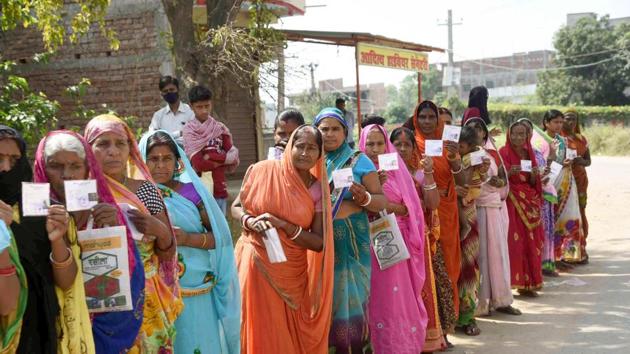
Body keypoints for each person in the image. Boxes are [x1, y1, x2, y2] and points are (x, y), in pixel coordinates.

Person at [33, 130, 146, 354]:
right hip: (56, 333)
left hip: (106, 333)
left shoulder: (106, 211)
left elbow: (131, 276)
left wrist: (112, 230)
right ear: (42, 168)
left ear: (88, 169)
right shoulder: (32, 216)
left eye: (76, 166)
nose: (67, 175)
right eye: (56, 166)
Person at [85, 114, 183, 352]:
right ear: (88, 149)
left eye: (120, 143)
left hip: (146, 296)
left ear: (130, 148)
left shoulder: (146, 191)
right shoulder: (81, 191)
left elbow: (167, 252)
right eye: (103, 144)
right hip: (99, 295)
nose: (113, 151)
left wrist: (160, 230)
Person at [231, 125, 334, 353]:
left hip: (291, 270)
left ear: (320, 154)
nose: (305, 153)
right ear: (289, 147)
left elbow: (319, 242)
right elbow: (237, 207)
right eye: (300, 146)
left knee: (285, 328)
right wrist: (249, 221)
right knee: (257, 324)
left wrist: (285, 226)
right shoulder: (262, 171)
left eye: (312, 148)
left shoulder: (317, 189)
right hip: (255, 261)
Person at [139, 130, 240, 353]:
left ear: (178, 162)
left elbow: (220, 239)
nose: (160, 165)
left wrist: (187, 239)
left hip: (197, 288)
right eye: (153, 159)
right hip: (157, 291)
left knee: (200, 343)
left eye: (167, 159)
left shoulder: (191, 193)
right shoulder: (135, 195)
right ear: (142, 160)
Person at [314, 108, 387, 353]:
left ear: (345, 132)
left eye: (335, 129)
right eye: (324, 129)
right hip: (319, 242)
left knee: (353, 300)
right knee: (325, 300)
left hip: (354, 243)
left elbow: (381, 201)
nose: (330, 134)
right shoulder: (311, 158)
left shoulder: (359, 160)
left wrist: (364, 198)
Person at [0, 126, 74, 354]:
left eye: (14, 159)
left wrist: (57, 239)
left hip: (36, 326)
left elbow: (66, 281)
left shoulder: (37, 206)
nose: (6, 168)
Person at [359, 124, 428, 353]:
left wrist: (381, 203)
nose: (375, 149)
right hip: (364, 242)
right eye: (370, 144)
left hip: (394, 242)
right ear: (362, 145)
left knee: (395, 299)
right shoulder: (356, 170)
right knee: (373, 297)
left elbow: (411, 208)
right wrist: (371, 193)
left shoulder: (397, 170)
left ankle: (399, 345)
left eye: (380, 144)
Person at [391, 126, 455, 351]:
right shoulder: (381, 174)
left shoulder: (417, 172)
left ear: (412, 148)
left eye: (406, 144)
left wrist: (428, 174)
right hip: (391, 240)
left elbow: (433, 203)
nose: (401, 148)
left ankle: (429, 338)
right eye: (396, 144)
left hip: (420, 240)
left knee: (429, 287)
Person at [403, 100, 466, 322]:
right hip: (418, 213)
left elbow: (463, 180)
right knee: (422, 270)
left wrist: (454, 159)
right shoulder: (410, 144)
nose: (427, 122)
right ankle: (426, 325)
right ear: (415, 119)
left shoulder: (447, 144)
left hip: (446, 213)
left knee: (448, 266)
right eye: (423, 117)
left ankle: (447, 323)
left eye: (432, 117)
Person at [464, 118, 521, 316]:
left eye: (479, 128)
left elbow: (502, 178)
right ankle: (480, 304)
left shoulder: (491, 154)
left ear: (485, 133)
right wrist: (488, 182)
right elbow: (470, 183)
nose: (475, 132)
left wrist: (498, 182)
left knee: (497, 253)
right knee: (480, 256)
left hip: (495, 208)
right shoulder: (463, 157)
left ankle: (502, 299)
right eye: (470, 128)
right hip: (475, 209)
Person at [452, 126, 490, 336]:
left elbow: (467, 185)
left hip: (467, 214)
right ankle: (451, 315)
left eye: (462, 146)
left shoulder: (474, 161)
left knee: (468, 266)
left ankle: (467, 316)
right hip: (449, 215)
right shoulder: (450, 158)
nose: (458, 149)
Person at [500, 121, 545, 297]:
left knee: (531, 242)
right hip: (512, 202)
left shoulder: (529, 153)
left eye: (522, 134)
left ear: (527, 136)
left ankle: (530, 283)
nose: (518, 138)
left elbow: (534, 183)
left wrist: (534, 175)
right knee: (515, 243)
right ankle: (517, 282)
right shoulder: (503, 152)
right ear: (508, 135)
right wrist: (509, 173)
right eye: (514, 134)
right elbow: (499, 177)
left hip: (529, 202)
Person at [183, 85, 239, 215]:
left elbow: (234, 156)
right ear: (191, 106)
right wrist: (223, 158)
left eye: (207, 106)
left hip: (219, 187)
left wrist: (210, 156)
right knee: (206, 230)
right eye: (199, 107)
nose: (204, 111)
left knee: (222, 230)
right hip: (200, 191)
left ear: (211, 104)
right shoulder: (189, 131)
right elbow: (199, 164)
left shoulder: (219, 128)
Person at [541, 110, 585, 266]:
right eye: (556, 122)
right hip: (550, 183)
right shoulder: (540, 140)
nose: (560, 125)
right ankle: (551, 257)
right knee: (551, 219)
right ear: (546, 123)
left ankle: (565, 255)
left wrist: (566, 163)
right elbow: (541, 163)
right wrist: (559, 164)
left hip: (567, 181)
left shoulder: (562, 140)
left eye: (561, 122)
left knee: (569, 216)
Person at [519, 118, 559, 276]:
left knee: (546, 231)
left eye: (528, 131)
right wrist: (537, 179)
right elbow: (522, 177)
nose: (525, 135)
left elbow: (545, 168)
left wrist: (552, 156)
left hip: (544, 195)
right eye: (521, 132)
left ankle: (546, 264)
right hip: (529, 198)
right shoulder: (518, 153)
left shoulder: (535, 150)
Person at [562, 109, 590, 263]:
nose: (570, 122)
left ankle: (582, 249)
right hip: (565, 181)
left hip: (580, 182)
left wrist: (581, 161)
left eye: (573, 119)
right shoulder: (560, 139)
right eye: (567, 119)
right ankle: (568, 252)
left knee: (580, 212)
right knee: (567, 214)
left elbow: (588, 161)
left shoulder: (581, 139)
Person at [148, 75, 194, 145]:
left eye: (172, 89)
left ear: (178, 89)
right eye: (165, 91)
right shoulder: (158, 116)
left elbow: (193, 135)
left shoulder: (190, 112)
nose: (169, 93)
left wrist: (164, 137)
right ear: (161, 94)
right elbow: (152, 136)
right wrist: (179, 133)